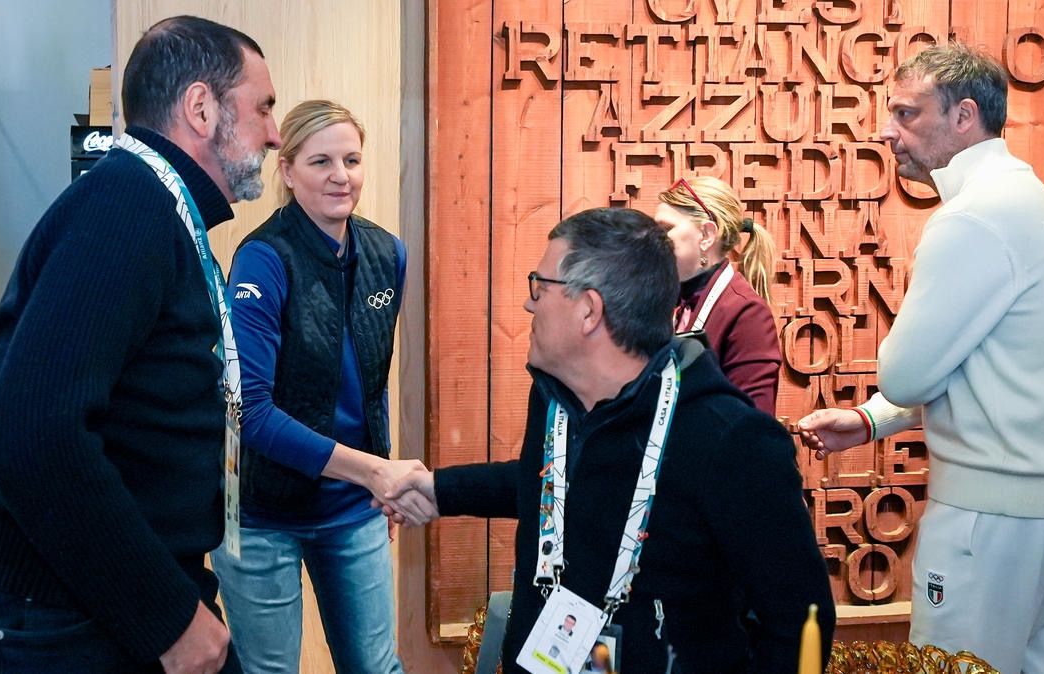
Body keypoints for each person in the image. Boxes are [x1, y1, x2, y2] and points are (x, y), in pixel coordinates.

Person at [0, 15, 281, 674]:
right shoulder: (126, 208)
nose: (274, 133)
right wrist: (165, 615)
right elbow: (31, 431)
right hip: (69, 617)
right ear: (202, 108)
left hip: (106, 598)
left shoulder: (150, 209)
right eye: (263, 108)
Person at [385, 207, 835, 673]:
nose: (528, 305)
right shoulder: (555, 400)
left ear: (589, 311)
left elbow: (801, 621)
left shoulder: (731, 441)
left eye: (540, 287)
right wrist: (439, 489)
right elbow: (555, 484)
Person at [797, 43, 1044, 674]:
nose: (887, 132)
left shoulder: (972, 219)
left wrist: (885, 394)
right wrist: (869, 421)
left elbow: (904, 375)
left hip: (992, 521)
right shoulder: (1041, 204)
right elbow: (1003, 372)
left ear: (964, 116)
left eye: (907, 114)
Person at [209, 100, 419, 673]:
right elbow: (249, 412)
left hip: (351, 506)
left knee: (376, 667)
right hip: (261, 513)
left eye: (351, 159)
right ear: (288, 169)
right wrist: (373, 470)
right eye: (320, 161)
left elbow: (371, 383)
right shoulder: (263, 259)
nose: (340, 176)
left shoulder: (387, 254)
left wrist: (377, 476)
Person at [656, 177, 781, 414]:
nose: (653, 241)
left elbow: (753, 425)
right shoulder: (672, 301)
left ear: (706, 235)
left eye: (665, 230)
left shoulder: (747, 313)